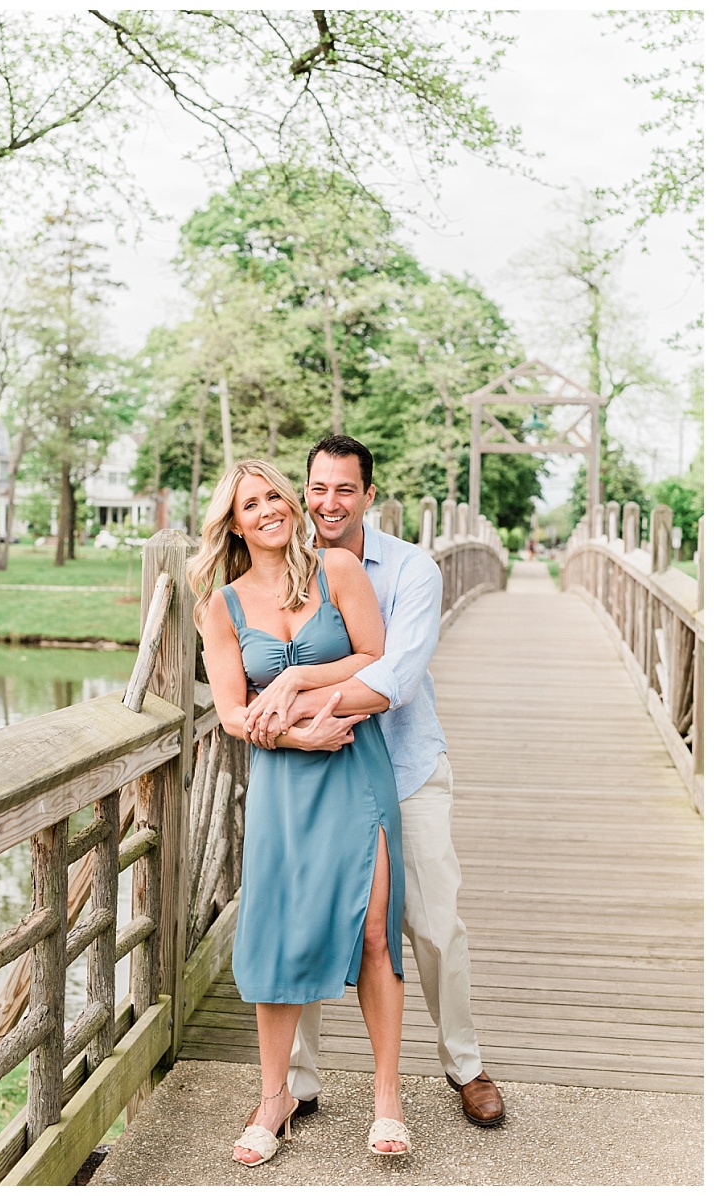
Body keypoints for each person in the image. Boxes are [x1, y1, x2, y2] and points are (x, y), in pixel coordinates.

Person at [243, 434, 505, 1128]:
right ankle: (296, 1083)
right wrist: (277, 710)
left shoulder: (413, 569)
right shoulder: (283, 562)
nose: (329, 503)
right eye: (318, 489)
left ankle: (465, 1065)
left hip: (405, 766)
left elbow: (395, 679)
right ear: (304, 492)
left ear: (369, 496)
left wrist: (290, 692)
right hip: (314, 773)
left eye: (345, 490)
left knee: (433, 923)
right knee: (302, 917)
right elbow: (242, 673)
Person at [186, 459, 410, 1165]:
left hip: (356, 769)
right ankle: (273, 1098)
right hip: (283, 780)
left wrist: (296, 679)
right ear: (234, 525)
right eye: (249, 505)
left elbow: (375, 657)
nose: (268, 511)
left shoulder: (337, 571)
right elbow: (231, 713)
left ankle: (387, 1099)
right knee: (278, 932)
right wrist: (296, 735)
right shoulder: (220, 608)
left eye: (274, 497)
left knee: (374, 933)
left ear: (291, 504)